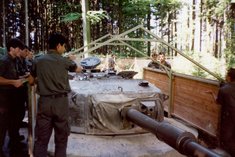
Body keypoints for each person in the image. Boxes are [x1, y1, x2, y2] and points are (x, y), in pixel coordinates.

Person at [28, 32, 83, 157]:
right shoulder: (65, 61)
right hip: (61, 103)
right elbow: (79, 69)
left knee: (41, 139)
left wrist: (42, 79)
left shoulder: (38, 60)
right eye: (64, 46)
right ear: (58, 46)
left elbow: (31, 81)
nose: (64, 49)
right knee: (61, 139)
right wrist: (73, 59)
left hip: (44, 103)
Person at [0, 38, 26, 157]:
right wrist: (12, 82)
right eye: (18, 48)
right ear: (11, 49)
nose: (19, 50)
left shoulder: (15, 60)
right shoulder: (4, 61)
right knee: (3, 125)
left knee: (14, 123)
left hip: (13, 97)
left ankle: (14, 145)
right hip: (4, 98)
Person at [216, 68, 235, 157]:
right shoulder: (225, 88)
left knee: (227, 140)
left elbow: (218, 103)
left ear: (229, 77)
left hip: (228, 119)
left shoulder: (223, 89)